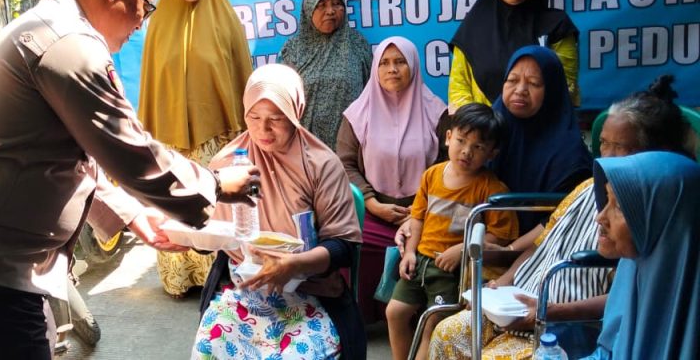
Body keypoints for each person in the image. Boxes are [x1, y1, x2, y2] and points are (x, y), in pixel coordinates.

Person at [0, 0, 261, 359]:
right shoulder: (69, 44)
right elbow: (131, 150)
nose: (141, 25)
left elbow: (71, 158)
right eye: (144, 9)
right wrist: (218, 184)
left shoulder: (51, 26)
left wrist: (133, 215)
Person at [427, 75, 693, 360]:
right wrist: (502, 281)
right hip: (523, 299)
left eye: (623, 147)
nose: (609, 155)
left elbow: (620, 299)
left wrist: (548, 312)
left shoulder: (648, 216)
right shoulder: (585, 188)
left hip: (565, 321)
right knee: (447, 332)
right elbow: (545, 241)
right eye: (604, 143)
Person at [192, 64, 365, 359]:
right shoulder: (228, 164)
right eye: (254, 117)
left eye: (276, 118)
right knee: (212, 346)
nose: (263, 129)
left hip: (310, 292)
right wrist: (192, 236)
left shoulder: (321, 164)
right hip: (243, 290)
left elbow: (343, 247)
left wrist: (294, 266)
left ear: (295, 114)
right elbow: (211, 236)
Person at [138, 0, 255, 298]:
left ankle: (217, 274)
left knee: (212, 207)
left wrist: (241, 135)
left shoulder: (226, 20)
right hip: (171, 143)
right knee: (175, 204)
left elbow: (240, 77)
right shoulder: (158, 25)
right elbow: (151, 85)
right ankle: (179, 278)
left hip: (216, 141)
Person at [386, 103, 519, 360]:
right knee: (395, 312)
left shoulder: (492, 189)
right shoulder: (431, 175)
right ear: (448, 138)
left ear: (492, 153)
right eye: (461, 140)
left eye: (478, 147)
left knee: (432, 324)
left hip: (451, 272)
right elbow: (417, 218)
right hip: (419, 263)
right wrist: (410, 253)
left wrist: (463, 249)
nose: (467, 151)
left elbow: (501, 235)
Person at [335, 36, 447, 325]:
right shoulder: (357, 114)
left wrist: (419, 211)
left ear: (413, 65)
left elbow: (449, 166)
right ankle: (362, 318)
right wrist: (371, 203)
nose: (392, 69)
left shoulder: (437, 112)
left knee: (430, 251)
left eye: (400, 62)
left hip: (425, 213)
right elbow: (344, 163)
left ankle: (416, 320)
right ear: (375, 69)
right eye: (384, 63)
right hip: (375, 212)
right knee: (353, 244)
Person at [585, 151, 700, 359]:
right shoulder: (632, 270)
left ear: (665, 220)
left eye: (619, 207)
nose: (600, 217)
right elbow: (606, 353)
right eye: (607, 200)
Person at [448, 0, 579, 113]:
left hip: (540, 130)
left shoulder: (556, 26)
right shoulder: (474, 25)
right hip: (484, 132)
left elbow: (565, 87)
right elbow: (459, 88)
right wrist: (479, 126)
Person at [491, 45, 592, 236]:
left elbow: (563, 219)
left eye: (534, 83)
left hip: (544, 249)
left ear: (552, 91)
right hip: (481, 243)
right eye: (512, 80)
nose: (520, 90)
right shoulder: (486, 133)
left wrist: (509, 251)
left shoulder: (569, 156)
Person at [280, 0, 372, 147]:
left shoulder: (358, 45)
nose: (330, 11)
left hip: (351, 151)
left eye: (337, 4)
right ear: (308, 8)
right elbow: (281, 102)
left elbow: (373, 95)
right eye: (321, 5)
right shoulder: (292, 51)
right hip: (304, 151)